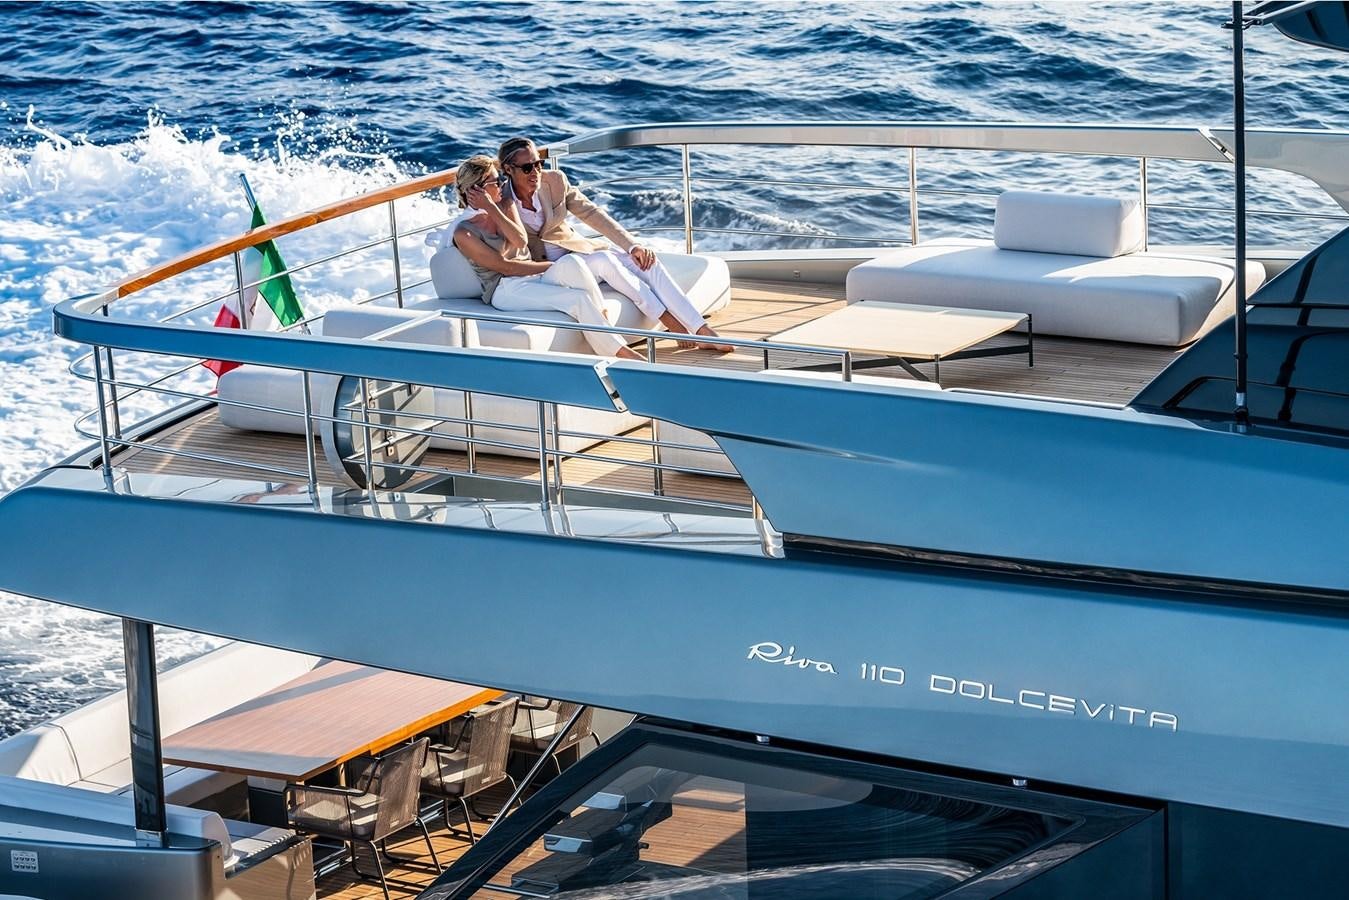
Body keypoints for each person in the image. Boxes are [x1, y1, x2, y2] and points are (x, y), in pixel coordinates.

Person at [497, 137, 732, 352]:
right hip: (548, 271)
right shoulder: (501, 199)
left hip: (578, 256)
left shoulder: (555, 181)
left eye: (539, 164)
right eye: (527, 168)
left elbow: (591, 213)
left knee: (645, 261)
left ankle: (701, 329)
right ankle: (669, 321)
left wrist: (633, 246)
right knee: (604, 259)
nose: (536, 172)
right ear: (508, 169)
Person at [450, 155, 643, 360]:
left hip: (532, 277)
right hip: (505, 289)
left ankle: (603, 325)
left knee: (572, 261)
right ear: (476, 189)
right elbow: (506, 268)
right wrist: (550, 266)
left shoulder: (505, 204)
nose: (502, 185)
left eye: (501, 180)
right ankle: (624, 355)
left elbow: (520, 241)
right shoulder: (464, 233)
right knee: (578, 299)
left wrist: (493, 209)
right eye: (496, 182)